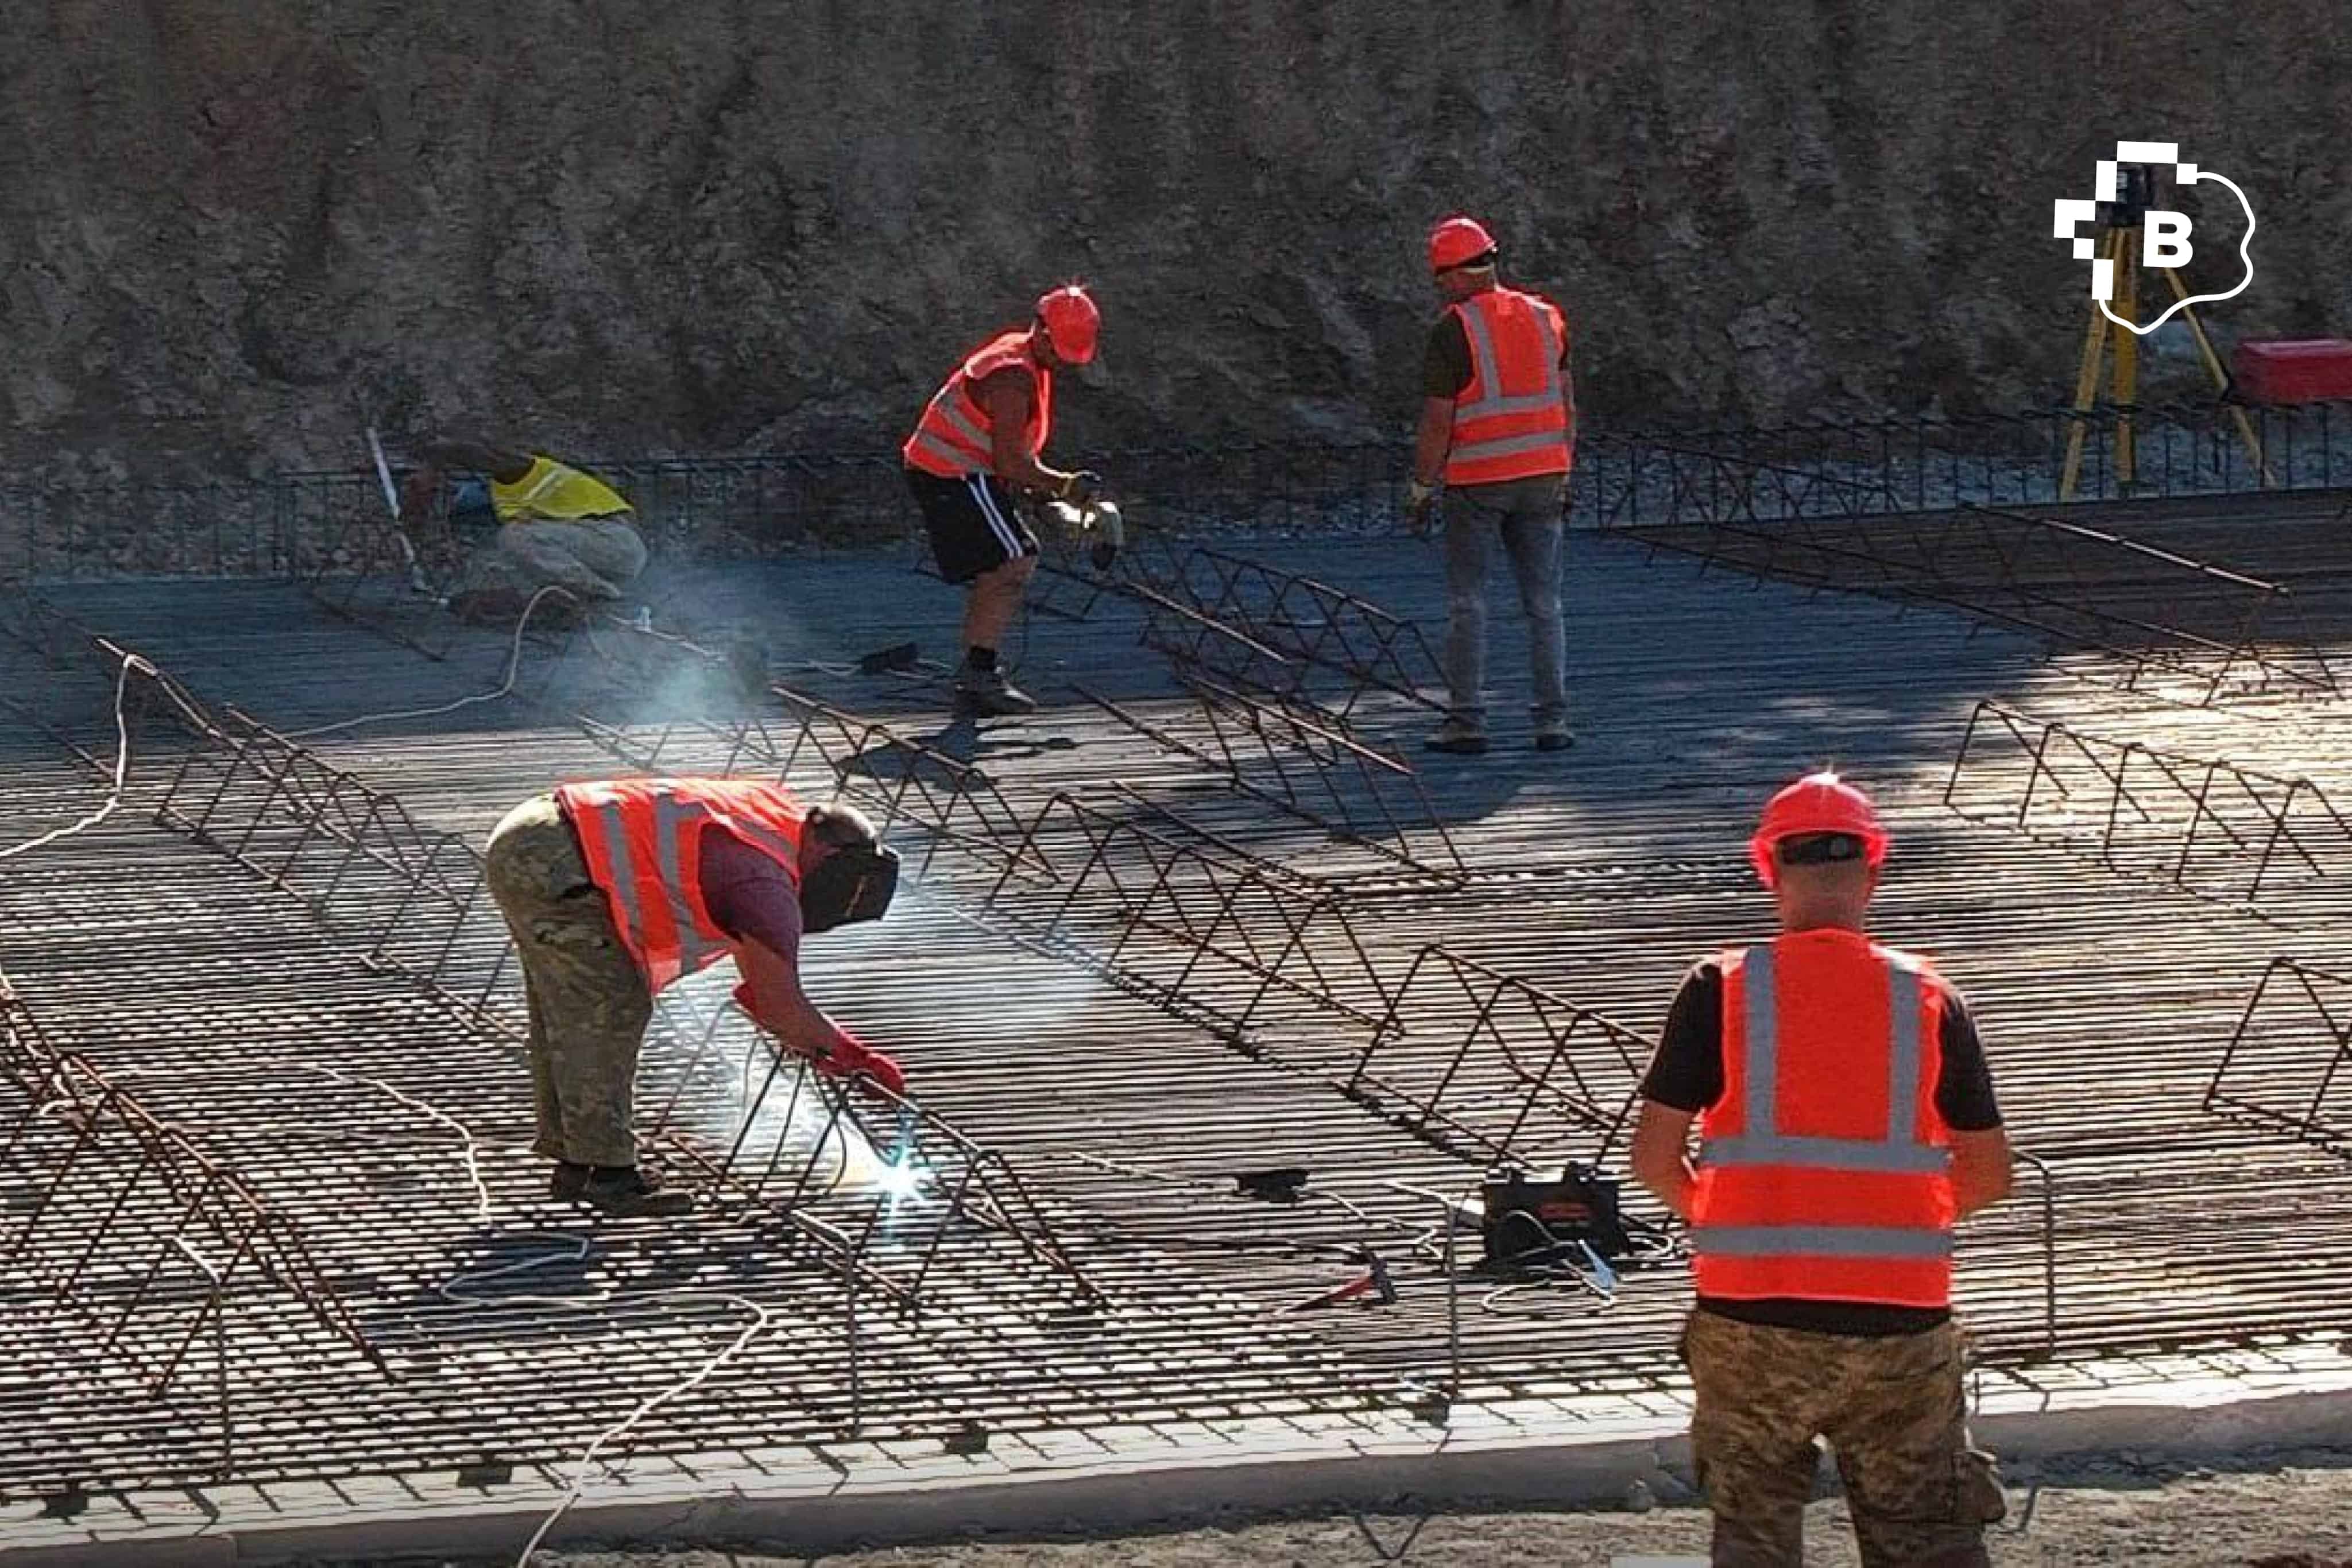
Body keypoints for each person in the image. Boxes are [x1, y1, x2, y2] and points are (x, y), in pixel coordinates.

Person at [1629, 772, 2014, 1567]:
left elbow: (1652, 1156)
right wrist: (1902, 1223)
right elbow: (1990, 1173)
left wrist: (1724, 1218)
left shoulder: (1722, 987)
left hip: (1748, 1319)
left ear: (1769, 871)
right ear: (1874, 870)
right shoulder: (1931, 996)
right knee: (1929, 1540)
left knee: (1755, 1538)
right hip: (1900, 1325)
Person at [483, 777, 905, 1216]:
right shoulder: (764, 883)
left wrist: (823, 1046)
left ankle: (576, 1161)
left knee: (570, 1009)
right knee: (611, 1009)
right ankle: (609, 1175)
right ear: (828, 855)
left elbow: (763, 991)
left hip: (535, 836)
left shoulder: (771, 829)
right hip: (555, 862)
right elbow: (782, 1005)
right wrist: (855, 1056)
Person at [1407, 215, 1576, 755]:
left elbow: (1439, 419)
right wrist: (1563, 463)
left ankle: (1467, 721)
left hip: (1478, 482)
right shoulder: (1547, 317)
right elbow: (1568, 402)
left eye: (1440, 277)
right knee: (1544, 603)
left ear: (1456, 273)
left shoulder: (1453, 328)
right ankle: (1552, 721)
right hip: (1544, 477)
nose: (1439, 287)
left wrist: (1420, 485)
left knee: (1468, 601)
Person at [902, 285, 1107, 717]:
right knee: (1013, 560)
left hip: (961, 470)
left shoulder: (1026, 355)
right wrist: (1064, 486)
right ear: (1043, 333)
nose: (1063, 363)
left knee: (1007, 560)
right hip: (951, 472)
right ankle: (978, 675)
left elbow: (1015, 456)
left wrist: (1045, 491)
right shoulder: (1012, 375)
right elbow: (1011, 461)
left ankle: (978, 671)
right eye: (1062, 351)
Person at [401, 439, 648, 622]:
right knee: (499, 568)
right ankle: (575, 600)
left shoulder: (521, 474)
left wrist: (431, 466)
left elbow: (472, 451)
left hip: (616, 541)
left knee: (515, 536)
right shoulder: (519, 512)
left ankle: (601, 599)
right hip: (595, 551)